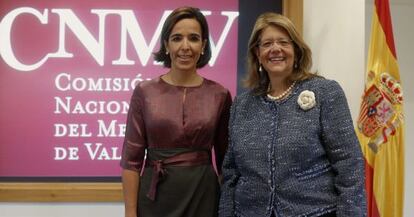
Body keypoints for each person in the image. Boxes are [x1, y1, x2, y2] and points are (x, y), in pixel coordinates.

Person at [219, 12, 366, 217]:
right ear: (257, 53)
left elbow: (349, 164)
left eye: (283, 42)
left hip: (316, 212)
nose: (275, 49)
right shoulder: (242, 105)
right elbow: (231, 173)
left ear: (296, 49)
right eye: (267, 43)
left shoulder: (325, 92)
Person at [120, 6, 232, 217]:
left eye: (193, 38)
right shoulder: (145, 92)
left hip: (204, 196)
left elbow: (227, 162)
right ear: (166, 44)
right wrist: (130, 212)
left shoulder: (220, 94)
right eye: (177, 38)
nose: (185, 46)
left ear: (203, 45)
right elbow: (131, 160)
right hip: (155, 197)